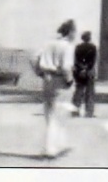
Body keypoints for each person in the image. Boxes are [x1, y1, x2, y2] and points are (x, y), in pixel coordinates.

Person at [32, 19, 77, 158]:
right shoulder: (67, 46)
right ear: (70, 32)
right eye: (74, 31)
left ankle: (53, 145)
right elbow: (65, 67)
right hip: (60, 80)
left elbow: (33, 58)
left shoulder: (48, 43)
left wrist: (39, 72)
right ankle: (52, 148)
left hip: (47, 79)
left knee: (49, 114)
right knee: (60, 115)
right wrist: (69, 80)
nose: (75, 34)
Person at [71, 31, 98, 118]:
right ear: (89, 38)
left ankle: (75, 111)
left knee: (78, 91)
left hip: (79, 72)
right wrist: (87, 68)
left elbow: (76, 60)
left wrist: (81, 68)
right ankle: (89, 112)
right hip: (89, 71)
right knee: (90, 92)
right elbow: (93, 61)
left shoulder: (78, 47)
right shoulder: (93, 47)